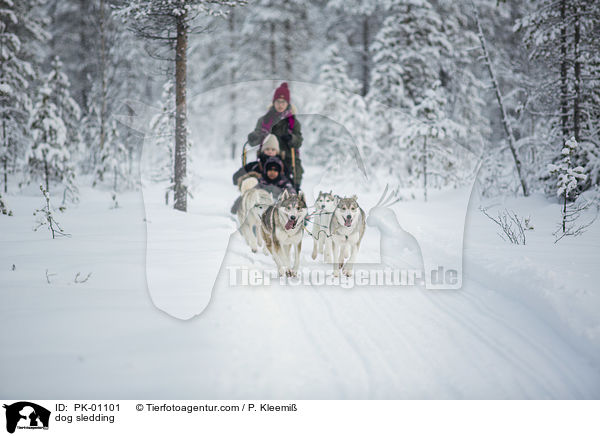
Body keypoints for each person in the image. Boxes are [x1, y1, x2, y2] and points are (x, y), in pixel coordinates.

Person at [248, 82, 303, 190]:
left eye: (283, 102)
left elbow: (299, 141)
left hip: (288, 158)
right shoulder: (264, 120)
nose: (280, 105)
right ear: (274, 102)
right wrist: (254, 137)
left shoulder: (293, 122)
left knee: (293, 182)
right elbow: (254, 140)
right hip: (267, 158)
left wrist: (291, 138)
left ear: (288, 103)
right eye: (278, 101)